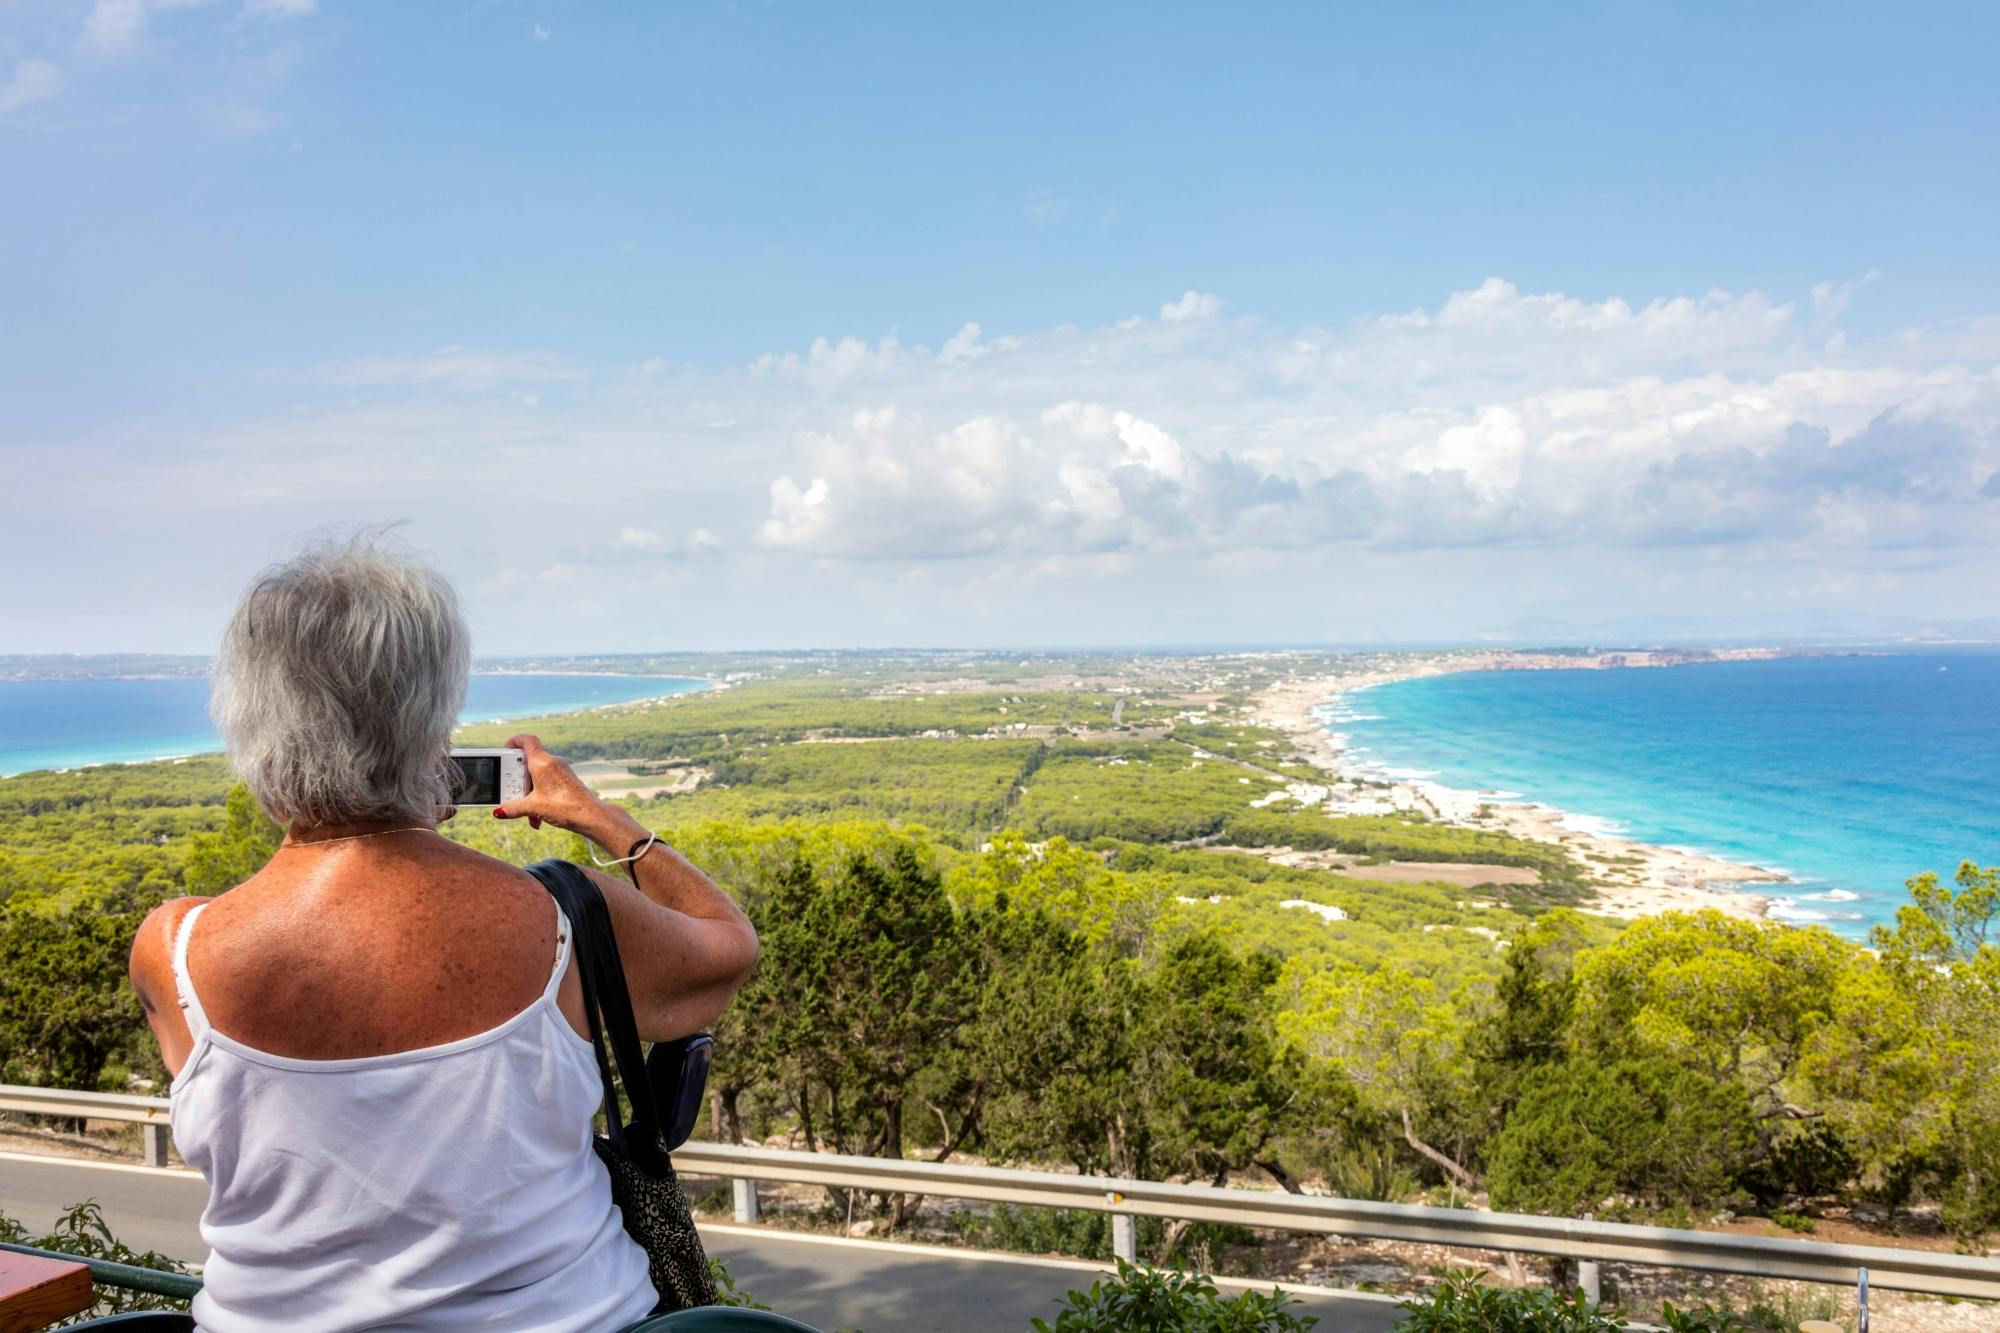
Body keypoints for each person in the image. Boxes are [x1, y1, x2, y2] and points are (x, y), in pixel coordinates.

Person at [128, 536, 759, 1332]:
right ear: (436, 724)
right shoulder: (566, 917)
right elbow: (729, 948)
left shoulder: (172, 950)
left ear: (249, 723)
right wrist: (607, 822)